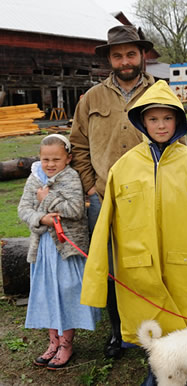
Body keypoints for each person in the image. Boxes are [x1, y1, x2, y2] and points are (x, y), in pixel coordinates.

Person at [79, 80, 187, 383]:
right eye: (153, 118)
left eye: (168, 118)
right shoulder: (124, 167)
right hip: (141, 267)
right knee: (154, 328)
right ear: (142, 122)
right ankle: (158, 370)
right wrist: (96, 278)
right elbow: (105, 222)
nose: (161, 125)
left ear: (179, 120)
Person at [69, 25, 155, 358]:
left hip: (149, 197)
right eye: (117, 55)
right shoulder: (92, 98)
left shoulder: (159, 92)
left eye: (131, 54)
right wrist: (91, 186)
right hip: (103, 198)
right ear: (109, 58)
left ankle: (151, 330)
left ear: (142, 55)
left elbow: (173, 139)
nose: (125, 61)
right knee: (108, 268)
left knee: (147, 263)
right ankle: (118, 333)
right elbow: (77, 144)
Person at [18, 134, 100, 370]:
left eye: (56, 159)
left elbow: (75, 209)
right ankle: (52, 342)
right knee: (47, 293)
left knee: (66, 292)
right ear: (39, 159)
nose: (50, 164)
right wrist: (40, 218)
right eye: (45, 159)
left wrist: (48, 198)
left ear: (68, 158)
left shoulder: (71, 178)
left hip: (65, 249)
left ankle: (66, 343)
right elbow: (24, 208)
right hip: (43, 249)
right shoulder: (35, 178)